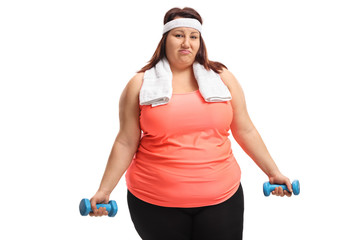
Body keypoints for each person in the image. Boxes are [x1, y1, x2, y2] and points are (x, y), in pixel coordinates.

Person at [89, 7, 293, 240]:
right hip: (154, 202)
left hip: (222, 199)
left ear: (200, 41)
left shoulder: (222, 77)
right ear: (165, 39)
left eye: (193, 36)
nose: (186, 42)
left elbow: (245, 129)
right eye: (178, 35)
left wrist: (273, 172)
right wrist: (104, 190)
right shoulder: (139, 84)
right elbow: (125, 142)